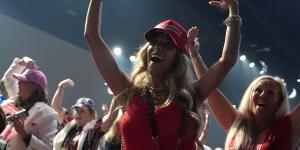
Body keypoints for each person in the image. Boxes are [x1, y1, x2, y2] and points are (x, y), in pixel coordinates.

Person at [84, 0, 240, 149]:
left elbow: (228, 60)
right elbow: (91, 36)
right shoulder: (128, 92)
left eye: (167, 45)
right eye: (154, 43)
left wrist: (233, 7)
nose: (157, 48)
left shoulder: (190, 96)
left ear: (178, 60)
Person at [188, 24, 300, 150]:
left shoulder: (288, 127)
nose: (263, 95)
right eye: (258, 90)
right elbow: (210, 88)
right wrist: (195, 57)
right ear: (249, 95)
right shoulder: (237, 124)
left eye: (271, 93)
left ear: (280, 101)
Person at [51, 79, 119, 150]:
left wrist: (116, 92)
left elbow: (111, 117)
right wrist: (60, 87)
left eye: (82, 111)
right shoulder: (70, 124)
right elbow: (56, 107)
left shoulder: (94, 129)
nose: (78, 113)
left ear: (91, 114)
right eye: (76, 110)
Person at [2, 68, 58, 150]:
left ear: (34, 87)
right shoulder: (15, 103)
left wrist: (24, 134)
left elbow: (47, 148)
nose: (18, 83)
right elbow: (8, 80)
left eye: (23, 81)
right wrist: (21, 63)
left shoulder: (47, 113)